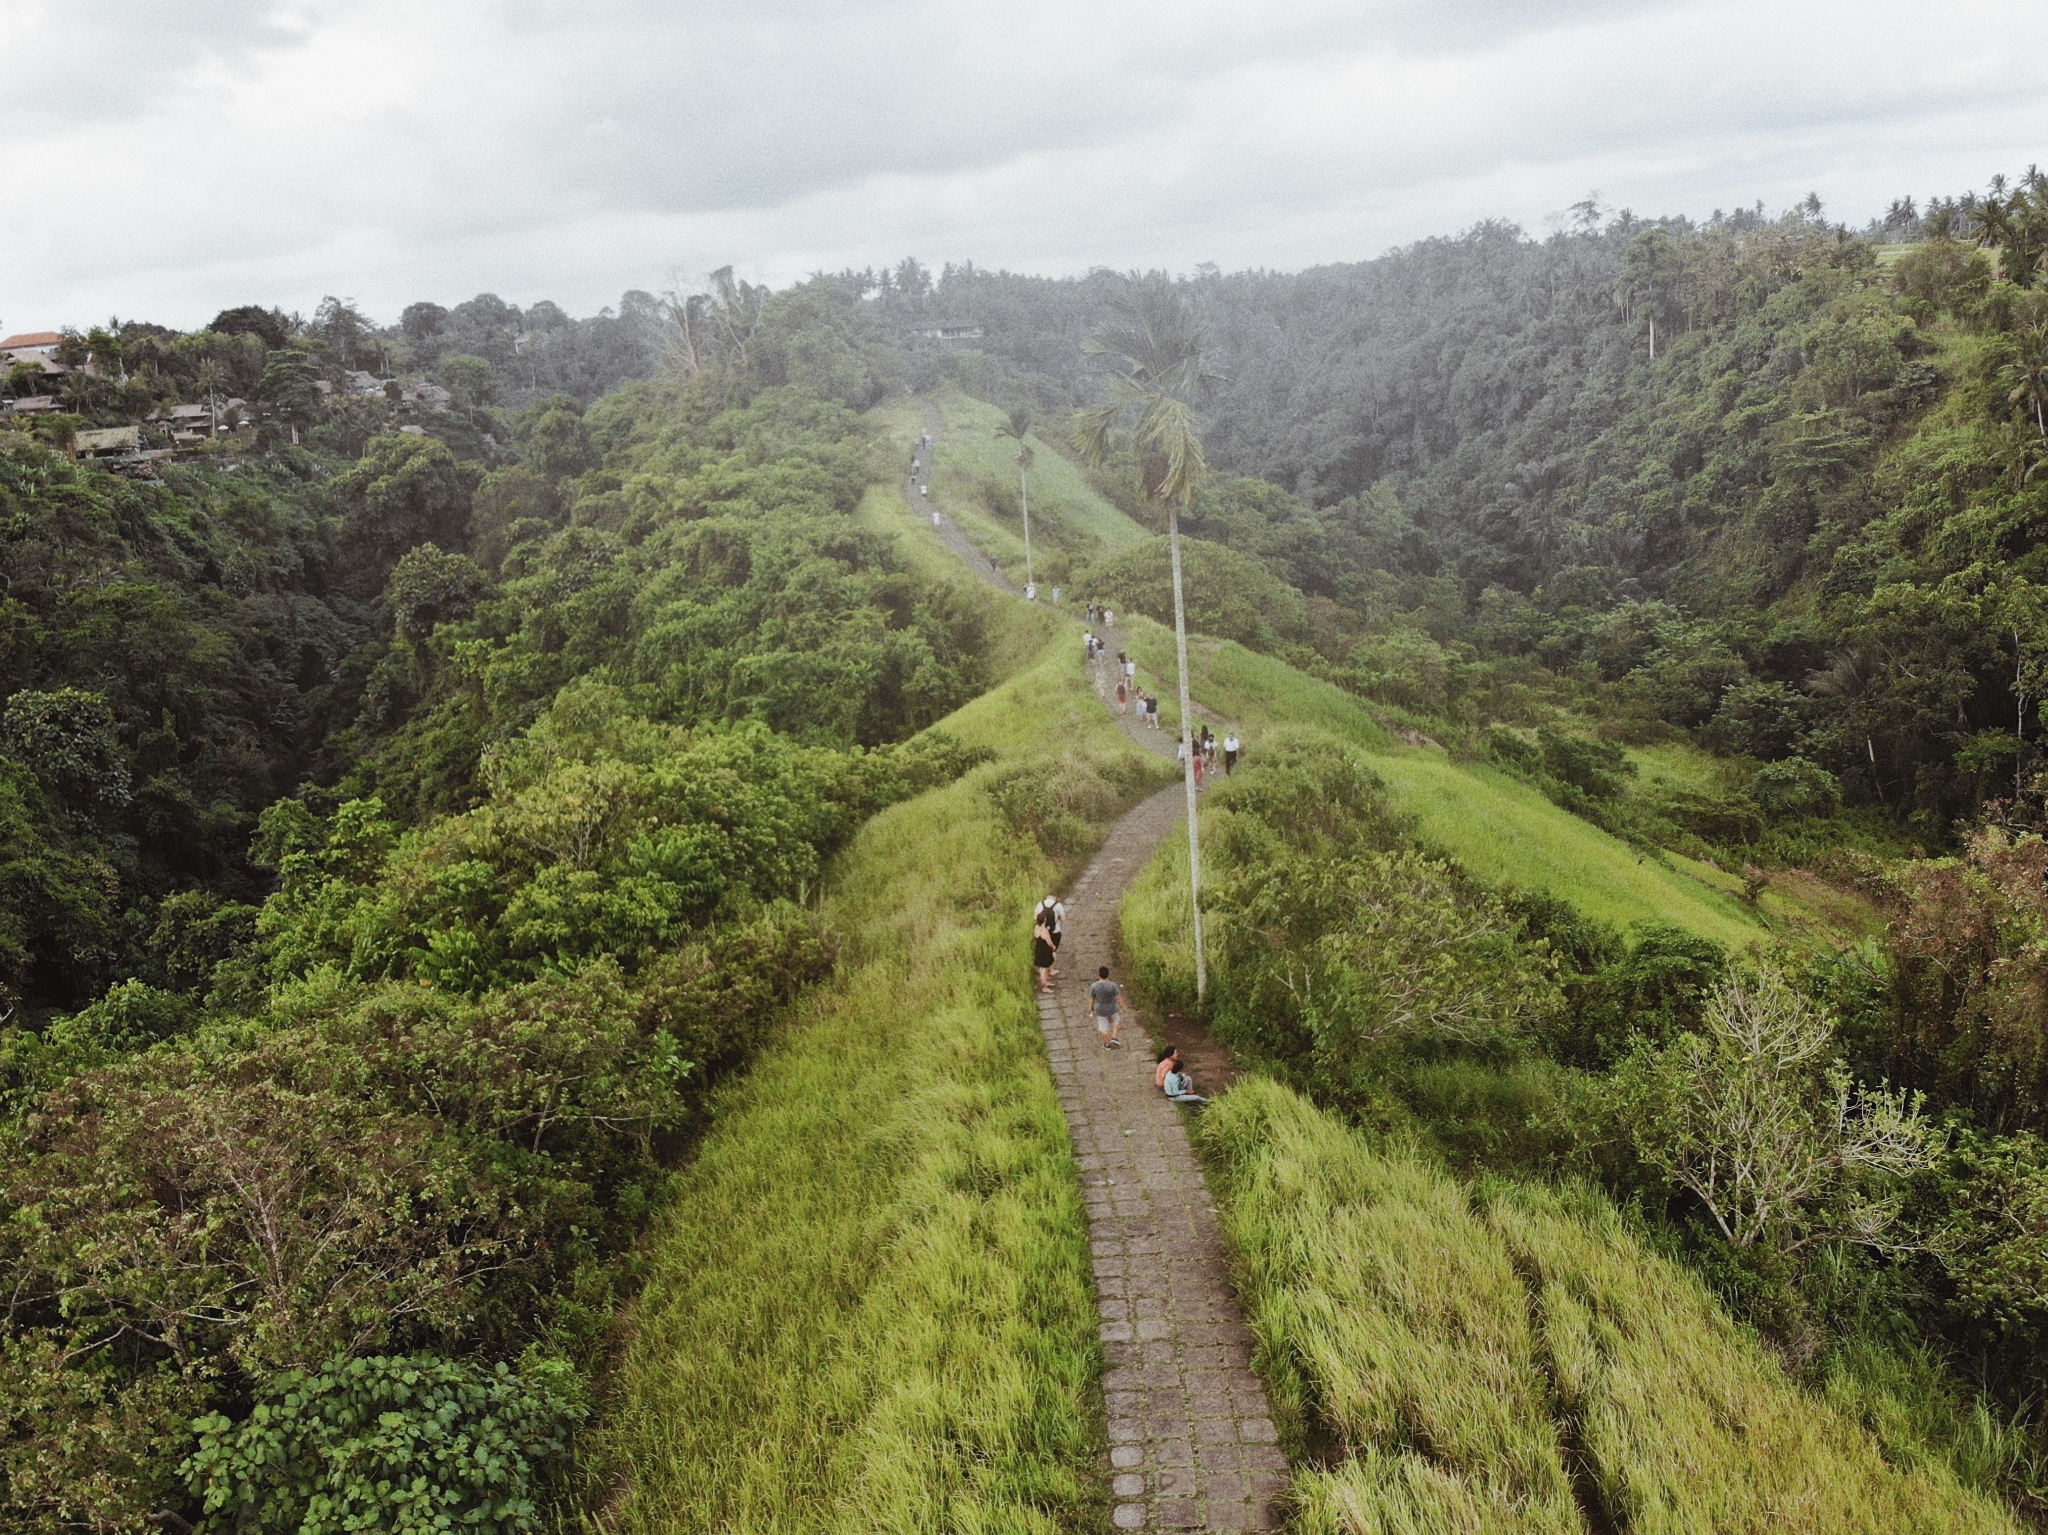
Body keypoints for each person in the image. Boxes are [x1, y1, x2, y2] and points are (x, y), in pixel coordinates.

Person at [1090, 965, 1126, 1048]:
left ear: (1099, 974)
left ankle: (1107, 1044)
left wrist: (1091, 1008)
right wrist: (1123, 1006)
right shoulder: (1112, 985)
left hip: (1101, 1009)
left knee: (1103, 1028)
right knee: (1116, 1021)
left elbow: (1092, 999)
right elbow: (1118, 997)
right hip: (1112, 1008)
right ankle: (1114, 1037)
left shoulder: (1094, 986)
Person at [1033, 911, 1057, 993]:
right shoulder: (1044, 931)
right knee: (1044, 969)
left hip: (1039, 949)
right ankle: (1044, 987)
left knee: (1042, 968)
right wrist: (1053, 946)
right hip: (1045, 951)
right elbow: (1049, 942)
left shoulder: (1036, 927)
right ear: (1045, 920)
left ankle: (1046, 982)